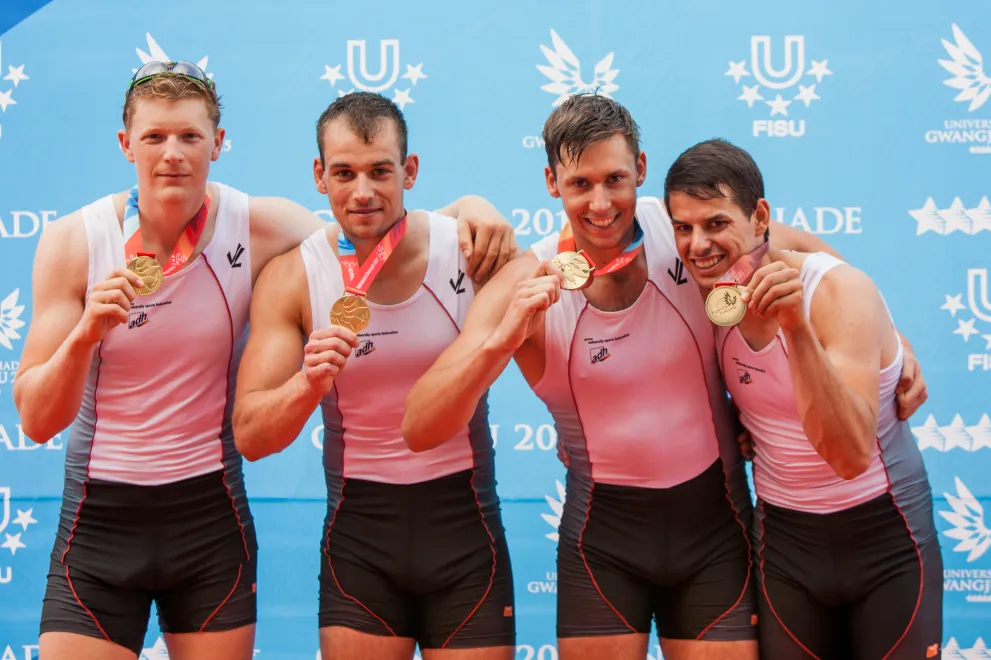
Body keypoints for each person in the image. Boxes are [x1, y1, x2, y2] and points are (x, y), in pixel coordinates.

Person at [12, 63, 515, 660]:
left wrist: (471, 205)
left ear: (218, 143)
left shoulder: (258, 226)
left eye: (190, 137)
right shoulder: (75, 243)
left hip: (209, 521)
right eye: (154, 137)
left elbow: (373, 223)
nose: (172, 154)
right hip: (97, 523)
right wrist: (84, 336)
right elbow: (37, 421)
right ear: (127, 145)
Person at [402, 94, 929, 660]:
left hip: (715, 532)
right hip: (600, 541)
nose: (602, 204)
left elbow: (792, 248)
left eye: (616, 180)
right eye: (581, 184)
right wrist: (501, 343)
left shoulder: (683, 232)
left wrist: (891, 337)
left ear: (642, 172)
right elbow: (420, 425)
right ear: (552, 182)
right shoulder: (527, 280)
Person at [232, 92, 517, 660]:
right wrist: (307, 385)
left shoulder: (466, 250)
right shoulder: (294, 278)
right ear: (319, 176)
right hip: (359, 543)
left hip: (466, 534)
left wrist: (476, 203)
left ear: (409, 171)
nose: (362, 192)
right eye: (344, 173)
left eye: (380, 171)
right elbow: (250, 435)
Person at [664, 139, 942, 660]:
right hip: (785, 544)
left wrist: (800, 329)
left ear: (759, 216)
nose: (698, 244)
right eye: (683, 228)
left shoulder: (836, 295)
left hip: (885, 533)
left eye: (716, 224)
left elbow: (849, 455)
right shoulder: (706, 285)